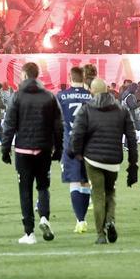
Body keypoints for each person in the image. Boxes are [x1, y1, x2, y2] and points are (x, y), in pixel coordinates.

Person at [68, 78, 137, 245]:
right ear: (107, 90)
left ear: (92, 91)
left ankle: (100, 234)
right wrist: (132, 164)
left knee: (98, 195)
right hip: (113, 160)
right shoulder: (121, 110)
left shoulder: (87, 109)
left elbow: (77, 134)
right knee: (110, 192)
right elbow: (131, 138)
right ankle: (110, 221)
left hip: (93, 159)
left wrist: (75, 153)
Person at [1, 62, 63, 244]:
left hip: (23, 150)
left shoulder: (17, 97)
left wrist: (5, 150)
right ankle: (44, 217)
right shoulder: (49, 97)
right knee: (43, 187)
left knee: (25, 191)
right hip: (43, 149)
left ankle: (29, 233)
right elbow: (58, 126)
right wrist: (58, 149)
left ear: (25, 76)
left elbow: (9, 125)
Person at [56, 66, 93, 234]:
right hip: (89, 145)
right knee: (85, 181)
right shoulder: (91, 96)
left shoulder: (61, 96)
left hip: (69, 144)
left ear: (70, 78)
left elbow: (55, 121)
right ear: (83, 78)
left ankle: (80, 220)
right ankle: (83, 217)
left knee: (74, 181)